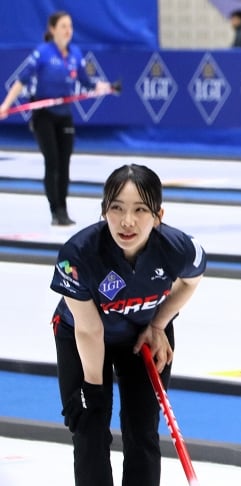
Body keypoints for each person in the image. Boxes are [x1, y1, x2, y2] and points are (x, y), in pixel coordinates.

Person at [50, 164, 206, 486]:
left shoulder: (180, 248)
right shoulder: (76, 256)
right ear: (104, 210)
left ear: (159, 214)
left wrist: (159, 324)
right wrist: (94, 391)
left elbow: (191, 282)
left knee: (143, 428)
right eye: (116, 208)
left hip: (141, 335)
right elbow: (89, 330)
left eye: (140, 210)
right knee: (90, 428)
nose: (127, 221)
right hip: (84, 338)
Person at [0, 11, 111, 226]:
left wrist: (105, 87)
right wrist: (5, 105)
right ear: (53, 30)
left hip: (64, 114)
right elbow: (21, 80)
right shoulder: (42, 53)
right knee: (52, 161)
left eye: (70, 26)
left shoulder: (76, 54)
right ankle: (55, 210)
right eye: (63, 26)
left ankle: (64, 208)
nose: (68, 30)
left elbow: (86, 83)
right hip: (44, 115)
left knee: (65, 162)